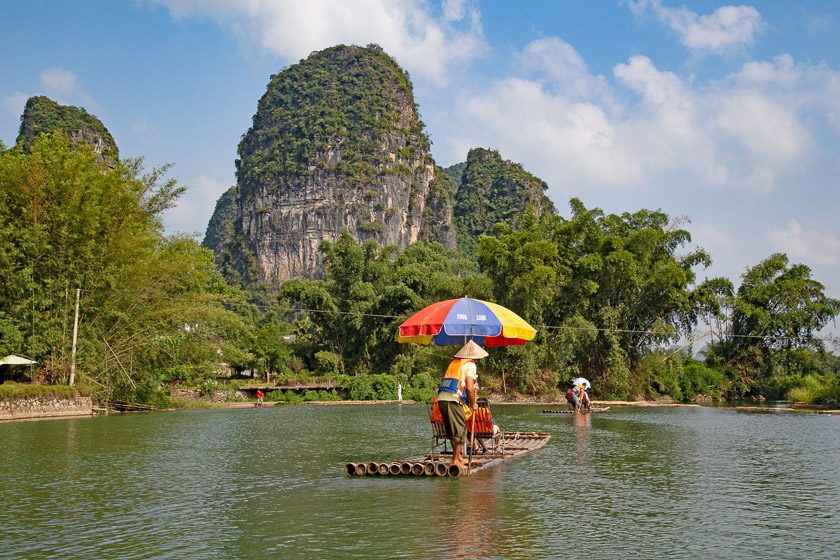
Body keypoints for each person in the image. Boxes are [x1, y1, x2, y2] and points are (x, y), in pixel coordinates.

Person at [437, 340, 488, 470]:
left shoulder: (455, 363)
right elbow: (470, 388)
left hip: (442, 398)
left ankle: (458, 457)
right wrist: (473, 404)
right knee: (460, 431)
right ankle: (455, 460)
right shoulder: (470, 365)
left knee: (452, 430)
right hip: (453, 400)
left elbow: (462, 385)